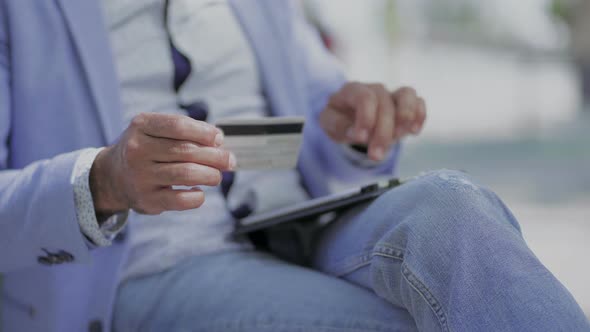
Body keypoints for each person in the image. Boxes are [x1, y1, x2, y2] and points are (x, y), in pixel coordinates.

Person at [0, 1, 588, 331]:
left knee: (455, 207)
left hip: (300, 223)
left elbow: (319, 115)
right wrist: (102, 180)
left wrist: (349, 128)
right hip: (152, 267)